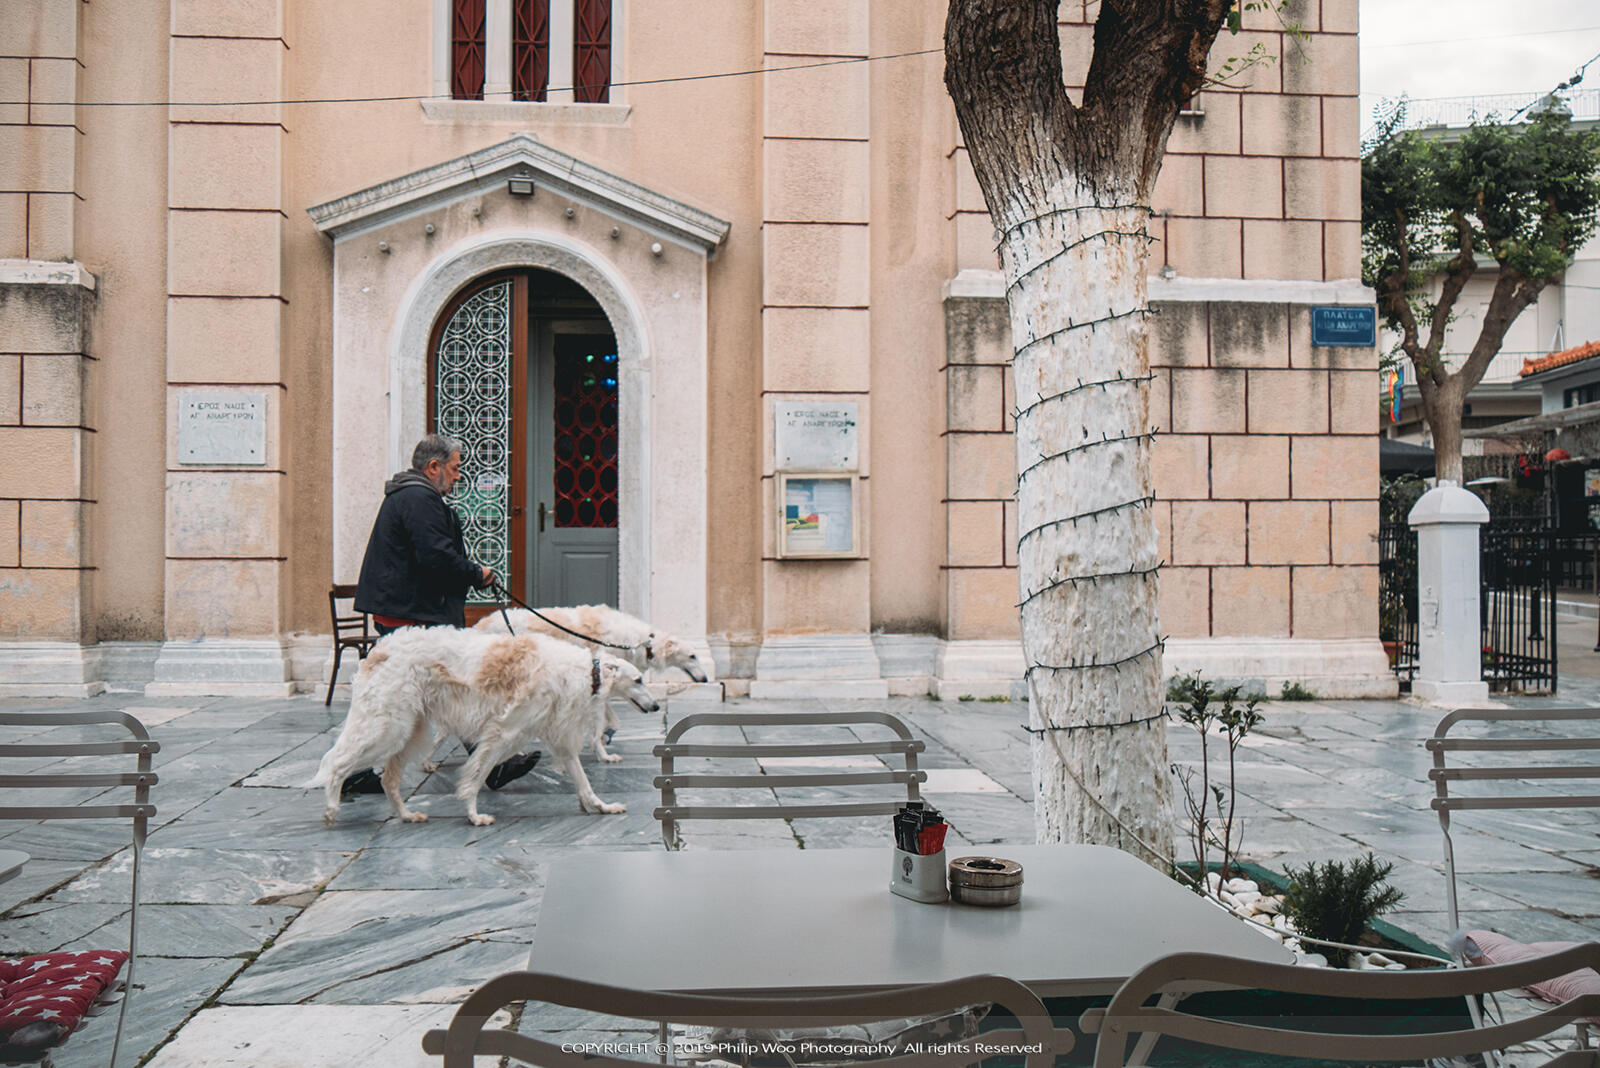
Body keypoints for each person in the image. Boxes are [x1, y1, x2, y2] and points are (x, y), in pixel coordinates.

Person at [340, 434, 540, 797]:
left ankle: (490, 763)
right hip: (414, 616)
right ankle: (352, 769)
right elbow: (435, 556)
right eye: (455, 468)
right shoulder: (419, 499)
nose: (458, 476)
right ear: (434, 467)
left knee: (450, 691)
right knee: (441, 691)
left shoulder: (410, 496)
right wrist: (477, 573)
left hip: (409, 611)